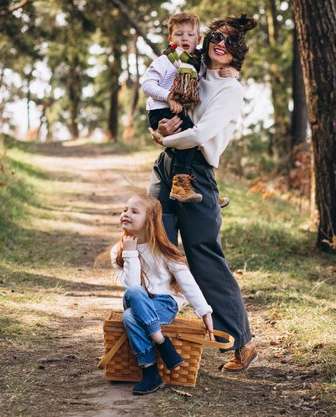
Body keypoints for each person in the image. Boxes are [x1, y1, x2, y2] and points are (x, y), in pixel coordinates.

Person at [148, 15, 258, 373]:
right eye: (217, 37)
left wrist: (166, 137)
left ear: (237, 54)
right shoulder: (192, 66)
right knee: (155, 246)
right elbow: (165, 104)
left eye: (229, 43)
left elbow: (200, 133)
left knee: (203, 257)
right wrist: (160, 129)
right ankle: (150, 338)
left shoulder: (231, 89)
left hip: (195, 172)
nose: (220, 44)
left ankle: (242, 341)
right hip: (166, 166)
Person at [110, 193, 215, 395]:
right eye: (124, 210)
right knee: (134, 292)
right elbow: (132, 286)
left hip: (164, 303)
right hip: (137, 300)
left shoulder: (162, 249)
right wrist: (130, 252)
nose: (126, 214)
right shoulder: (119, 251)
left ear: (149, 219)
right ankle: (161, 341)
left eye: (134, 211)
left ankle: (149, 371)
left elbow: (187, 281)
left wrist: (204, 311)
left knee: (129, 317)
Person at [142, 12, 232, 208]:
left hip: (179, 111)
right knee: (190, 134)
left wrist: (234, 70)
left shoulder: (198, 62)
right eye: (179, 34)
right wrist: (168, 96)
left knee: (192, 140)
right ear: (170, 38)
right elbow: (147, 85)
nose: (184, 38)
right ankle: (180, 183)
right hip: (160, 111)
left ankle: (204, 191)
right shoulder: (164, 61)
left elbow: (221, 64)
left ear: (198, 39)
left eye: (190, 35)